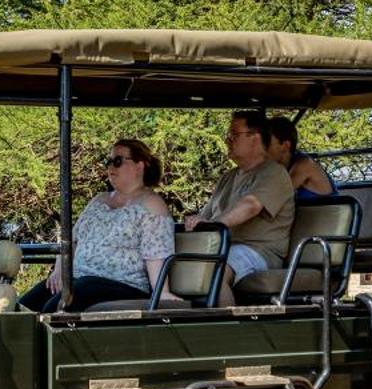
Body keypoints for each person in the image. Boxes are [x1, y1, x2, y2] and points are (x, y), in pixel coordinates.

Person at [23, 138, 176, 312]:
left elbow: (156, 252)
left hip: (122, 284)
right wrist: (59, 271)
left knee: (58, 306)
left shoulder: (151, 204)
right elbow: (71, 240)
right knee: (24, 307)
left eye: (117, 161)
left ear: (140, 166)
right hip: (79, 280)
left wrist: (162, 292)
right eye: (108, 161)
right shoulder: (98, 200)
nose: (111, 167)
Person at [184, 110, 295, 287]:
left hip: (258, 251)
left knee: (214, 275)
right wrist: (195, 222)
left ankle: (224, 315)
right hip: (224, 247)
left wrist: (215, 225)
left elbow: (251, 205)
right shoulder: (228, 177)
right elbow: (206, 216)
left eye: (234, 135)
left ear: (255, 137)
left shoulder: (274, 173)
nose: (227, 140)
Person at [268, 114, 335, 203]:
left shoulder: (305, 165)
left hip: (327, 215)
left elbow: (273, 198)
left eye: (267, 143)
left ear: (285, 146)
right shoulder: (281, 168)